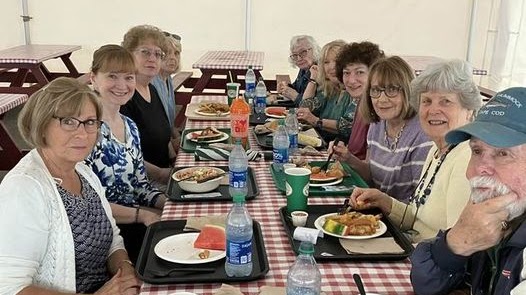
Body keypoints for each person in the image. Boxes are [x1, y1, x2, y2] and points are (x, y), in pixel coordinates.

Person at [0, 77, 141, 294]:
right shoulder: (24, 188)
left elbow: (112, 238)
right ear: (42, 124)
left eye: (90, 122)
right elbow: (10, 288)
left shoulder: (83, 170)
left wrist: (126, 270)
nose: (82, 133)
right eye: (68, 121)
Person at [349, 59, 482, 243]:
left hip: (427, 262)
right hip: (413, 247)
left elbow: (457, 244)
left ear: (469, 110)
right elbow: (417, 219)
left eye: (446, 102)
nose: (433, 110)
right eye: (426, 101)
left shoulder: (465, 160)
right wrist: (383, 201)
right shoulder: (438, 151)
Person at [411, 87, 526, 295]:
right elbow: (426, 285)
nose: (481, 167)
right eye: (477, 150)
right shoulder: (496, 215)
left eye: (503, 153)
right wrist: (455, 244)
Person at [86, 44, 167, 263]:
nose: (122, 85)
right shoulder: (86, 130)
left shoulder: (129, 125)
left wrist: (168, 203)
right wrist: (144, 215)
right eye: (112, 76)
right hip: (105, 234)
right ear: (93, 79)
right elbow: (90, 203)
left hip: (136, 219)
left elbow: (140, 186)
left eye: (128, 77)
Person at [331, 56, 432, 202]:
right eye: (376, 90)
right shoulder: (377, 124)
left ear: (408, 91)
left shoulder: (422, 134)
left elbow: (419, 202)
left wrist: (382, 204)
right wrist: (348, 159)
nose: (382, 99)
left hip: (400, 220)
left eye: (391, 89)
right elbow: (372, 177)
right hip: (378, 211)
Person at [121, 24, 173, 186]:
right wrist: (162, 174)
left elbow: (164, 136)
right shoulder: (124, 96)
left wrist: (175, 161)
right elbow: (125, 155)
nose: (152, 58)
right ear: (129, 55)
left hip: (165, 172)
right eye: (145, 52)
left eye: (158, 54)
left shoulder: (151, 88)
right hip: (143, 183)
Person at [331, 41, 386, 160]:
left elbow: (372, 168)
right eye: (346, 73)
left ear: (375, 74)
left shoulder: (380, 110)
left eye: (360, 72)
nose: (351, 80)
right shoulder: (361, 103)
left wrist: (348, 157)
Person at [297, 40, 353, 143]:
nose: (331, 67)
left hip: (340, 152)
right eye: (326, 62)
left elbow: (347, 127)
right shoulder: (330, 88)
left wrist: (316, 121)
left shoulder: (355, 92)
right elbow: (305, 107)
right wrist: (313, 79)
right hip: (322, 145)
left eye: (337, 61)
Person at [151, 32, 182, 153]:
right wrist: (173, 153)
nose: (173, 58)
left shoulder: (167, 78)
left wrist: (178, 137)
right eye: (167, 53)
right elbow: (157, 127)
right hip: (157, 150)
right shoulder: (152, 82)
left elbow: (169, 122)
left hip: (167, 141)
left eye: (176, 53)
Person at [277, 35, 321, 105]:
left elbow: (315, 107)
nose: (299, 58)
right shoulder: (304, 68)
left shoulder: (320, 71)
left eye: (303, 52)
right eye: (295, 55)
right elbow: (297, 88)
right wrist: (286, 88)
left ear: (315, 50)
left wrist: (295, 96)